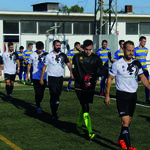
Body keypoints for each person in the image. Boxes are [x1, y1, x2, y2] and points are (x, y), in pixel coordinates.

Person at [104, 41, 150, 150]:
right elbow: (110, 79)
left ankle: (120, 139)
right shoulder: (117, 64)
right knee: (125, 121)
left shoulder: (137, 63)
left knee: (127, 122)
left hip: (133, 96)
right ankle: (130, 147)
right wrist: (107, 95)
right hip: (122, 95)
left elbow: (143, 77)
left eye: (132, 50)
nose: (131, 52)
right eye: (129, 50)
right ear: (124, 49)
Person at [72, 39, 106, 140]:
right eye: (86, 49)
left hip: (91, 86)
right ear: (83, 48)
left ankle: (78, 125)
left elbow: (104, 70)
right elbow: (74, 71)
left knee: (84, 105)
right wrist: (83, 80)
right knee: (85, 105)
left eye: (90, 49)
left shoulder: (96, 58)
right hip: (79, 85)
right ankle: (90, 132)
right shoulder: (77, 57)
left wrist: (95, 75)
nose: (88, 51)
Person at [40, 40, 73, 119]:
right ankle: (53, 113)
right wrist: (41, 78)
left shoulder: (63, 55)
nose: (59, 47)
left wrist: (72, 73)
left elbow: (69, 64)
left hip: (60, 78)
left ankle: (55, 111)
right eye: (57, 45)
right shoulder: (48, 56)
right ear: (53, 46)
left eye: (59, 45)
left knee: (58, 96)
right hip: (52, 78)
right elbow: (44, 67)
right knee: (53, 94)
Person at [27, 41, 48, 114]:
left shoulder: (46, 54)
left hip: (44, 76)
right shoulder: (32, 55)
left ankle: (38, 103)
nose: (40, 50)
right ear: (36, 48)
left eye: (41, 49)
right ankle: (38, 106)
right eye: (38, 49)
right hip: (35, 77)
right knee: (37, 93)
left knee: (42, 94)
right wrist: (27, 75)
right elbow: (29, 65)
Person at [133, 36, 150, 104]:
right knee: (135, 84)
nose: (144, 43)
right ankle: (133, 98)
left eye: (145, 41)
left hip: (145, 69)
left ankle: (147, 99)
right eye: (143, 41)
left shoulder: (146, 49)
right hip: (138, 70)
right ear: (140, 41)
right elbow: (134, 60)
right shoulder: (135, 49)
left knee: (147, 84)